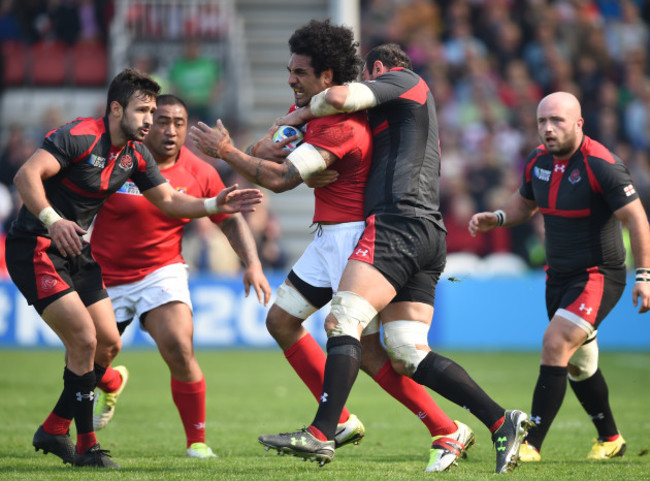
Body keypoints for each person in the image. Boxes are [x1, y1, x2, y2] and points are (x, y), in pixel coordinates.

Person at [194, 42, 530, 474]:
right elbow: (268, 151)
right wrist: (284, 128)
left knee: (346, 326)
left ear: (359, 73)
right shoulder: (356, 117)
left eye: (300, 71)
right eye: (289, 71)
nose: (291, 80)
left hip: (382, 228)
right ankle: (497, 421)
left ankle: (326, 430)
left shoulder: (378, 99)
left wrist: (242, 146)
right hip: (383, 231)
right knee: (398, 350)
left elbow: (281, 174)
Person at [3, 68, 262, 468]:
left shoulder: (135, 155)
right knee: (86, 342)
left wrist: (214, 205)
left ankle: (55, 428)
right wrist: (54, 220)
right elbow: (26, 175)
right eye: (143, 111)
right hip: (36, 246)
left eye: (153, 111)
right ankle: (86, 446)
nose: (149, 120)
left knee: (108, 343)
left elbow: (170, 202)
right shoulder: (80, 135)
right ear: (116, 109)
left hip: (78, 253)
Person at [469, 91, 650, 462]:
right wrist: (499, 217)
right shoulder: (537, 161)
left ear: (579, 123)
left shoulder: (603, 164)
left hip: (598, 275)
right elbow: (526, 201)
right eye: (542, 122)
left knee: (555, 343)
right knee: (580, 365)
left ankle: (531, 443)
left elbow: (637, 219)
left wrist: (644, 275)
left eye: (557, 121)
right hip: (558, 278)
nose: (548, 129)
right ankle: (611, 438)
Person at [88, 94, 272, 458]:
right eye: (162, 121)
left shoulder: (200, 171)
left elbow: (229, 218)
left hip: (160, 272)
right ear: (147, 123)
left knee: (179, 346)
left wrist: (252, 263)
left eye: (179, 123)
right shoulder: (118, 158)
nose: (171, 131)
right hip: (102, 275)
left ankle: (197, 443)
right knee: (87, 359)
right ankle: (111, 381)